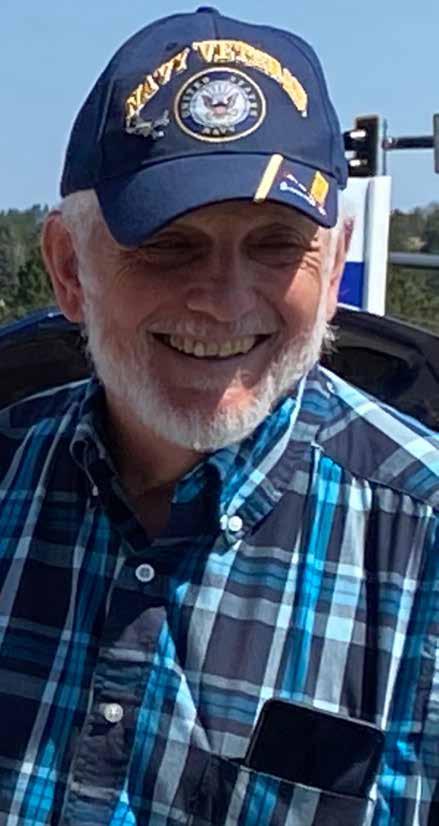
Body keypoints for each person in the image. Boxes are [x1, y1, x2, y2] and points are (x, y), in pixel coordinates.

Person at [0, 8, 437, 826]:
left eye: (276, 244)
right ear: (68, 268)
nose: (225, 301)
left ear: (334, 265)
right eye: (169, 244)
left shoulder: (422, 542)